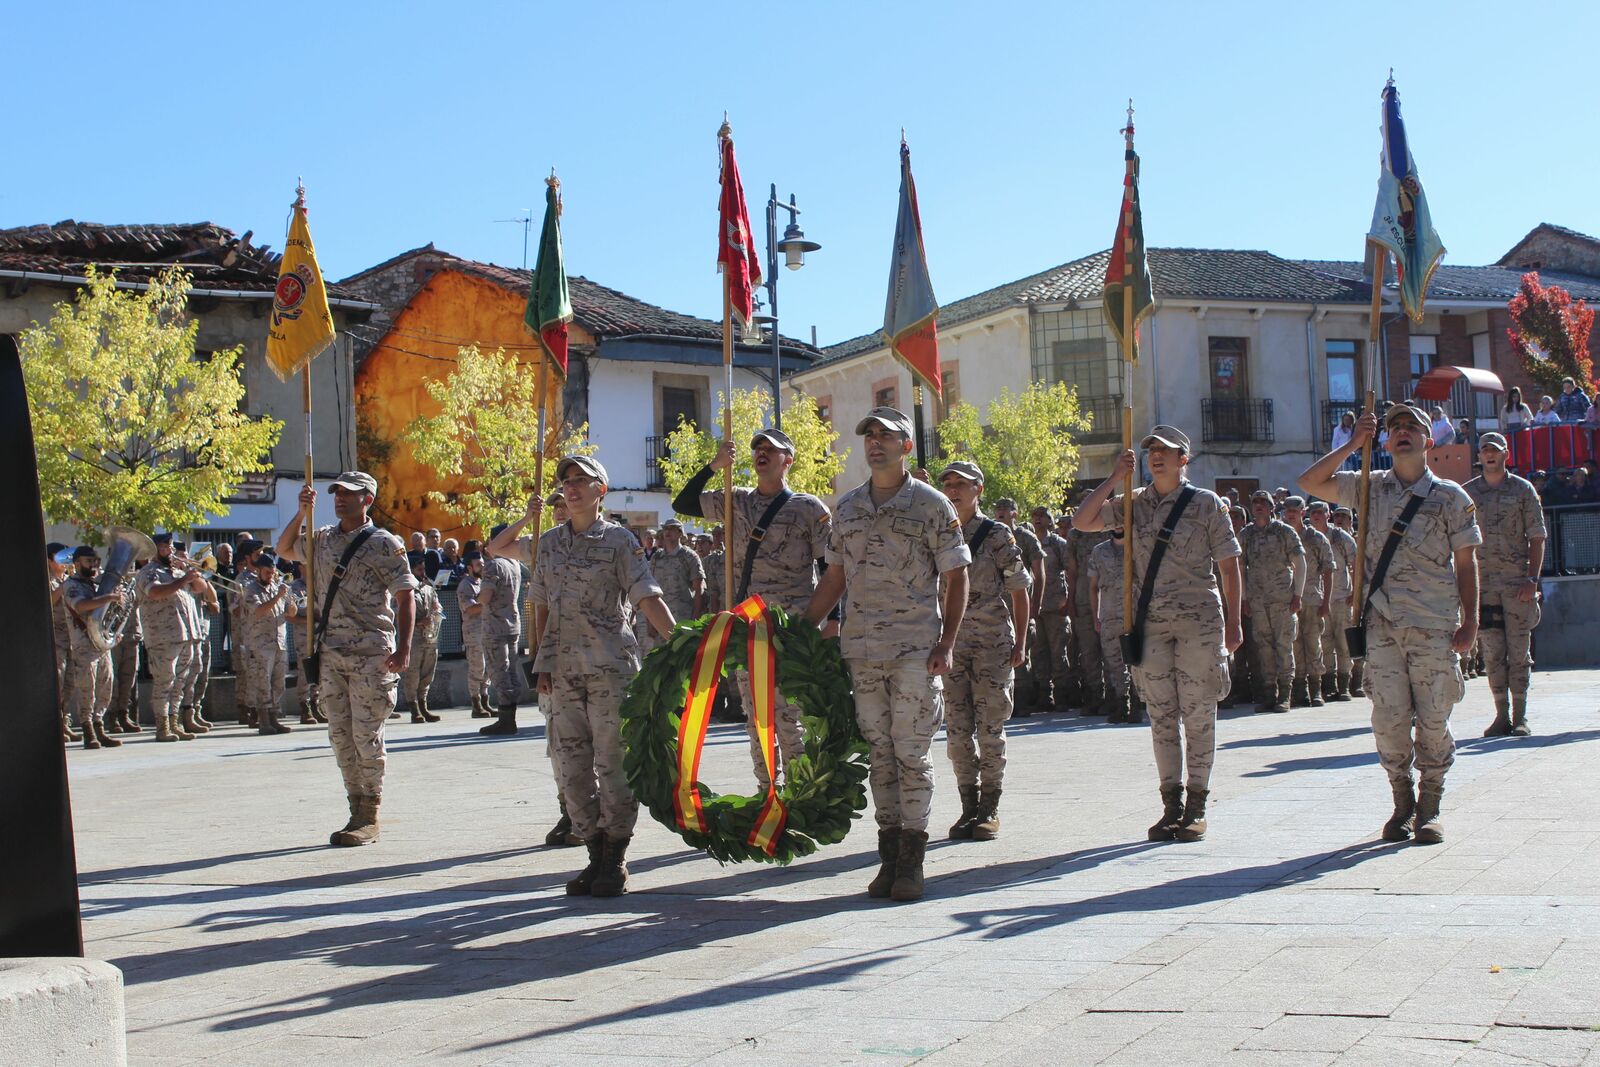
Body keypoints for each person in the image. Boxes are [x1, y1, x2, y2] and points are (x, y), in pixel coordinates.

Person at [804, 407, 971, 901]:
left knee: (911, 752)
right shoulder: (849, 508)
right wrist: (801, 628)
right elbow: (833, 577)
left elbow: (957, 576)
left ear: (906, 446)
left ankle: (912, 861)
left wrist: (947, 643)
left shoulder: (932, 505)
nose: (875, 442)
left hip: (915, 649)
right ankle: (888, 853)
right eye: (869, 435)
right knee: (879, 752)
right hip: (862, 650)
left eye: (886, 435)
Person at [1298, 404, 1480, 846]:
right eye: (1395, 427)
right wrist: (1352, 443)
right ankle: (1401, 802)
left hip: (1434, 624)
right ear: (1385, 441)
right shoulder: (1368, 488)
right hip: (1381, 624)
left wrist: (1471, 620)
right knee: (1389, 719)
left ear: (1428, 440)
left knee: (1434, 717)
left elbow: (1466, 562)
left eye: (1412, 427)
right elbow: (1310, 483)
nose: (1402, 432)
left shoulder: (1452, 497)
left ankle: (1430, 803)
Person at [1075, 425, 1242, 844]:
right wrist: (1115, 477)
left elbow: (1229, 567)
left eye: (1165, 451)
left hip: (1200, 622)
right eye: (1151, 451)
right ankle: (1171, 805)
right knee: (1162, 717)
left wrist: (1235, 623)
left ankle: (1198, 805)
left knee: (1199, 714)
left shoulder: (1206, 505)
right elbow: (1083, 521)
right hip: (1150, 623)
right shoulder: (1134, 504)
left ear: (1184, 459)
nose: (1156, 457)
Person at [531, 455, 676, 897]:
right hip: (562, 673)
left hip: (610, 671)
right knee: (570, 771)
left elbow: (646, 596)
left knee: (613, 766)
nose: (571, 488)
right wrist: (540, 662)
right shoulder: (550, 543)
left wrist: (683, 642)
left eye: (581, 481)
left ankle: (615, 856)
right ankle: (593, 852)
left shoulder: (619, 541)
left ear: (601, 491)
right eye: (566, 481)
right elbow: (538, 602)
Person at [672, 427, 832, 790]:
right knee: (757, 717)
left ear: (787, 460)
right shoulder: (735, 500)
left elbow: (828, 569)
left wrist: (831, 622)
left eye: (771, 450)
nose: (761, 453)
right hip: (749, 626)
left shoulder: (808, 508)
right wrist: (714, 465)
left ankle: (800, 790)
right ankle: (766, 791)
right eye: (757, 448)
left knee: (790, 716)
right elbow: (683, 504)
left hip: (794, 627)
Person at [276, 471, 416, 847]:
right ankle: (354, 805)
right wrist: (302, 512)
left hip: (371, 652)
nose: (340, 498)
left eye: (349, 493)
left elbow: (406, 596)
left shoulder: (384, 543)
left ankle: (369, 811)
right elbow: (284, 549)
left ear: (367, 499)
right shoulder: (321, 539)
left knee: (365, 735)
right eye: (336, 492)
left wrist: (403, 648)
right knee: (340, 736)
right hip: (330, 652)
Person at [485, 490, 583, 847]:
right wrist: (528, 517)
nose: (560, 510)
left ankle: (589, 811)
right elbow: (496, 547)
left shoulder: (601, 541)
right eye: (554, 505)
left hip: (590, 654)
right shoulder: (543, 546)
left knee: (594, 742)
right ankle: (569, 811)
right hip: (549, 655)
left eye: (564, 503)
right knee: (558, 743)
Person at [937, 461, 1027, 841]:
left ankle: (989, 806)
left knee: (990, 729)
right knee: (957, 733)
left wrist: (1021, 641)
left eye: (962, 484)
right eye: (949, 484)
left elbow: (1020, 588)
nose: (954, 490)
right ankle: (968, 806)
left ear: (979, 489)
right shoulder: (938, 531)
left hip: (992, 645)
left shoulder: (996, 535)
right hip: (951, 647)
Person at [1464, 433, 1546, 737]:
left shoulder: (1523, 490)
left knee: (1519, 653)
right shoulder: (1467, 494)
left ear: (1505, 455)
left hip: (1516, 585)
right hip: (1483, 587)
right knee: (1493, 653)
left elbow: (1537, 537)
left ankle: (1520, 715)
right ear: (1479, 456)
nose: (1489, 455)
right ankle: (1501, 715)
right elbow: (1458, 542)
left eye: (1495, 451)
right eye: (1484, 450)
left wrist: (1532, 579)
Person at [136, 535, 209, 742]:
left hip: (185, 635)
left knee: (179, 682)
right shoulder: (148, 573)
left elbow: (200, 588)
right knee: (164, 682)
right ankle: (162, 727)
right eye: (164, 547)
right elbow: (155, 593)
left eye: (169, 546)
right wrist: (182, 580)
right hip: (162, 637)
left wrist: (190, 574)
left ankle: (175, 722)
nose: (169, 550)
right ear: (155, 550)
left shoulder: (177, 571)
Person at [1239, 490, 1305, 713]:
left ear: (1271, 507)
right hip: (1258, 601)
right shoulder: (1246, 534)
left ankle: (1285, 695)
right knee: (1264, 648)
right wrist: (1244, 599)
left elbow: (1299, 563)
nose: (1258, 506)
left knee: (1284, 647)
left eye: (1263, 503)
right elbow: (1240, 567)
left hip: (1282, 600)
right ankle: (1269, 694)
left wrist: (1298, 594)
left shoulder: (1283, 532)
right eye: (1255, 502)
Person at [61, 546, 127, 750]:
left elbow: (108, 611)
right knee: (86, 689)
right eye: (89, 561)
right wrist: (108, 598)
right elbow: (80, 606)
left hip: (101, 643)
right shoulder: (70, 585)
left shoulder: (94, 585)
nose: (94, 565)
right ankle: (88, 730)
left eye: (96, 561)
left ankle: (100, 726)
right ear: (77, 563)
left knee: (106, 686)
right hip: (83, 644)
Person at [1086, 500, 1138, 723]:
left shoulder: (1138, 548)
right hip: (1108, 615)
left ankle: (1137, 704)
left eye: (1121, 520)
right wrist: (1096, 616)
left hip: (1134, 614)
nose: (1117, 525)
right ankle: (1120, 703)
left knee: (1136, 662)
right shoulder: (1099, 551)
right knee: (1114, 663)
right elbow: (1093, 587)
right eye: (1114, 521)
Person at [991, 499, 1045, 711]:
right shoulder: (991, 534)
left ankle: (1023, 700)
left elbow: (1039, 572)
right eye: (998, 508)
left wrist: (1036, 604)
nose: (1001, 511)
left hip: (1021, 603)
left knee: (1023, 651)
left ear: (1015, 513)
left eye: (1006, 508)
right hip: (998, 606)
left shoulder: (1025, 537)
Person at [1283, 497, 1334, 708]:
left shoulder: (1316, 538)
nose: (1291, 514)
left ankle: (1316, 689)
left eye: (1295, 510)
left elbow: (1329, 570)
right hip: (1287, 599)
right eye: (1288, 510)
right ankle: (1300, 690)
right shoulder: (1281, 535)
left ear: (1303, 512)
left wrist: (1327, 601)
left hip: (1312, 598)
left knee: (1313, 644)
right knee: (1294, 646)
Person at [240, 550, 296, 734]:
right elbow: (259, 611)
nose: (271, 576)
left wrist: (292, 603)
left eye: (272, 573)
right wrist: (278, 597)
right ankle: (263, 720)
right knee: (263, 682)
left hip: (279, 642)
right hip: (261, 644)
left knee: (278, 682)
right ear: (258, 571)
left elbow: (290, 614)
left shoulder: (276, 588)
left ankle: (274, 717)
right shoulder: (251, 590)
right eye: (267, 573)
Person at [476, 530, 525, 736]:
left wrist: (477, 599)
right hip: (512, 622)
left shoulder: (494, 565)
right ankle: (510, 714)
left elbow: (486, 596)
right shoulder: (515, 565)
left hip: (495, 625)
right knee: (511, 670)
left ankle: (506, 719)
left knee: (499, 671)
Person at [1309, 501, 1357, 701]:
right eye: (1314, 513)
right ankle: (1329, 685)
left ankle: (1345, 685)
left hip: (1341, 597)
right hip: (1320, 599)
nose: (1317, 516)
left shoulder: (1340, 537)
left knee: (1344, 643)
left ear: (1328, 515)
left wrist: (1354, 593)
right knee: (1325, 643)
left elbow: (1355, 563)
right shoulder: (1310, 538)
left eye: (1321, 512)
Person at [1028, 506, 1071, 715]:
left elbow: (1071, 571)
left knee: (1058, 652)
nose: (1037, 519)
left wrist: (1068, 601)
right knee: (1038, 653)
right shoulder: (1028, 542)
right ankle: (1044, 696)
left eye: (1041, 516)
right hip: (1035, 607)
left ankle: (1063, 696)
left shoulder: (1058, 543)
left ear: (1049, 520)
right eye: (1034, 516)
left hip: (1056, 606)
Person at [641, 517, 702, 651]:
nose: (668, 532)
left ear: (680, 533)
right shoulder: (656, 558)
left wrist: (695, 621)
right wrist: (650, 621)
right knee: (661, 662)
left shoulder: (689, 557)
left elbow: (699, 591)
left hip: (683, 619)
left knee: (682, 661)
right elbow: (649, 589)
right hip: (659, 619)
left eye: (672, 529)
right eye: (665, 529)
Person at [402, 551, 443, 724]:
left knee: (427, 673)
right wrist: (419, 621)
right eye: (419, 569)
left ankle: (423, 705)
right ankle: (414, 708)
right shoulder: (406, 590)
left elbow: (438, 607)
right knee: (413, 673)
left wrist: (436, 611)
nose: (422, 571)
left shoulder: (428, 589)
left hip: (430, 637)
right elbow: (401, 614)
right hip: (415, 638)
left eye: (423, 568)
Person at [47, 543, 81, 743]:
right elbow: (49, 600)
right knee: (58, 683)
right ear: (50, 561)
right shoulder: (47, 580)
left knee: (70, 684)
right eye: (59, 559)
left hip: (72, 637)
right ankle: (55, 725)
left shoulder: (70, 579)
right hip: (56, 637)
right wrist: (63, 585)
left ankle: (65, 722)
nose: (64, 563)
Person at [457, 550, 492, 718]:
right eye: (478, 565)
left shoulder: (482, 583)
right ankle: (476, 704)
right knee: (477, 668)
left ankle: (486, 701)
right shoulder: (466, 585)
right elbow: (470, 609)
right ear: (470, 567)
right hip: (474, 633)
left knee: (487, 670)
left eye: (482, 564)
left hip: (486, 631)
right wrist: (489, 604)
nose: (482, 567)